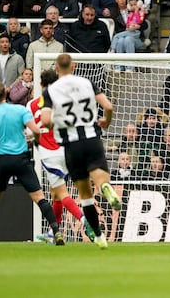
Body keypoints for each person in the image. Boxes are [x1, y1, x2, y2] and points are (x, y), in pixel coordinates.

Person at [40, 54, 122, 249]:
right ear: (74, 66)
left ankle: (100, 238)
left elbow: (45, 120)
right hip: (92, 138)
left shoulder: (51, 91)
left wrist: (58, 122)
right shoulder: (87, 83)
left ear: (57, 69)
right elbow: (108, 106)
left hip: (71, 145)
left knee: (85, 195)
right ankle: (105, 188)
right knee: (100, 178)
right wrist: (106, 121)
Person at [0, 81, 63, 246]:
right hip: (21, 159)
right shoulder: (20, 110)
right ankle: (56, 231)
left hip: (3, 160)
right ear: (5, 93)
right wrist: (34, 142)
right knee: (39, 197)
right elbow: (36, 130)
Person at [28, 69, 96, 243]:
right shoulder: (64, 102)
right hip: (67, 149)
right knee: (55, 194)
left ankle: (84, 219)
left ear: (41, 84)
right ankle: (54, 232)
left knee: (61, 193)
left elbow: (31, 131)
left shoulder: (32, 104)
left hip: (49, 153)